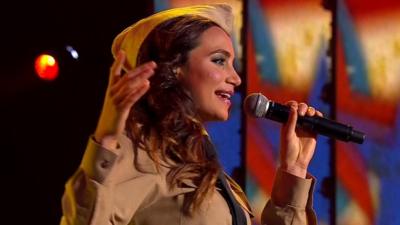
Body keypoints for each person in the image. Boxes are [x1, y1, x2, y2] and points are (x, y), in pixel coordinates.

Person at [59, 3, 322, 225]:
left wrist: (294, 169)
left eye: (233, 64)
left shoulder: (210, 175)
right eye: (219, 60)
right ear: (174, 68)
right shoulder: (142, 154)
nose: (236, 79)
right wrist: (106, 139)